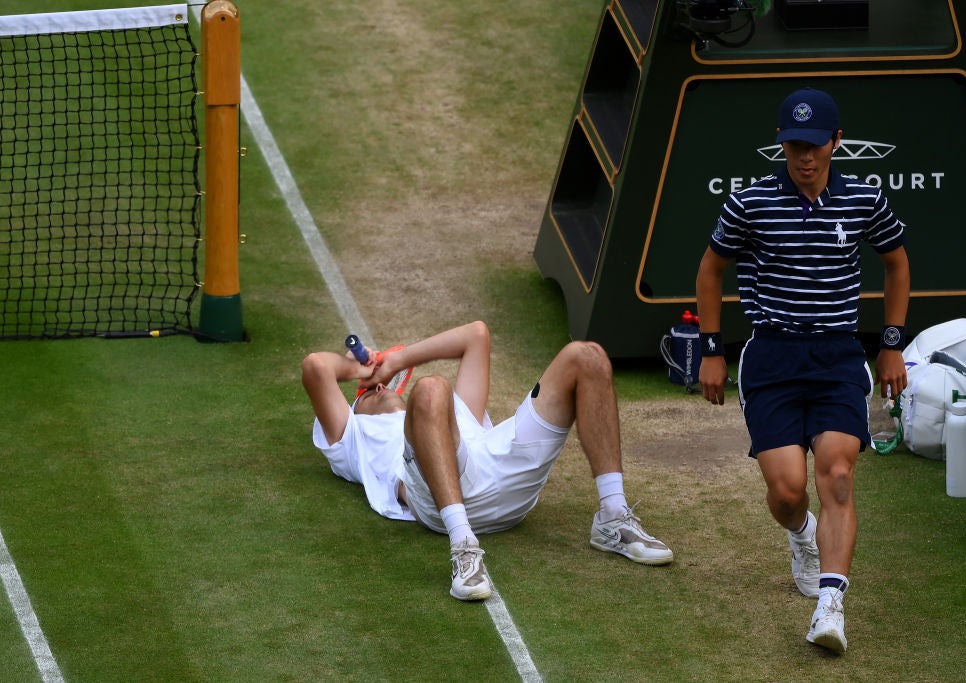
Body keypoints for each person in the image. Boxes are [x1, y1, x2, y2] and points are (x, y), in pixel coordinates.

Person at [695, 87, 910, 653]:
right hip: (772, 360)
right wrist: (712, 349)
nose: (804, 157)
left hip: (838, 357)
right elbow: (710, 271)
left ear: (837, 142)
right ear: (781, 145)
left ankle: (830, 606)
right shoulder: (750, 203)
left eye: (814, 145)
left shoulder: (865, 198)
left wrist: (891, 344)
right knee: (789, 493)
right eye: (793, 146)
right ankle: (801, 535)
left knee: (837, 474)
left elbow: (896, 263)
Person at [301, 321, 673, 601]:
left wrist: (395, 359)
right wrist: (360, 370)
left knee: (587, 356)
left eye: (381, 384)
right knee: (430, 388)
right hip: (438, 502)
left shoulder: (461, 411)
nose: (378, 388)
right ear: (355, 411)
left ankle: (613, 517)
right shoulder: (353, 438)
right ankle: (464, 550)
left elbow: (476, 334)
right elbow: (317, 367)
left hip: (503, 477)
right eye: (365, 395)